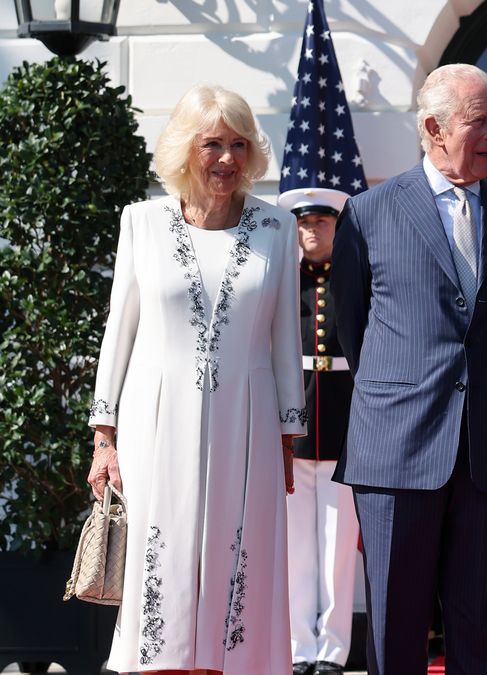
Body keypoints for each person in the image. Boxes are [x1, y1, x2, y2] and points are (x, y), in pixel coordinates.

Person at [330, 63, 487, 674]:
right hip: (396, 448)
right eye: (479, 122)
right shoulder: (368, 213)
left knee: (483, 628)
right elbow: (353, 327)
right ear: (433, 128)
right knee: (396, 628)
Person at [85, 84, 306, 674]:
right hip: (154, 423)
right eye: (212, 144)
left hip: (249, 425)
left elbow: (285, 338)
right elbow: (119, 331)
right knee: (163, 567)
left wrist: (289, 434)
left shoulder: (278, 228)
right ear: (186, 148)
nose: (227, 158)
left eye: (239, 144)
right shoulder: (142, 222)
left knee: (240, 568)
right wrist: (104, 438)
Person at [278, 187, 359, 675]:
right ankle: (298, 647)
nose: (312, 231)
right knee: (296, 548)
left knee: (337, 549)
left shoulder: (353, 278)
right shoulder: (283, 280)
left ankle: (331, 651)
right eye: (305, 223)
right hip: (294, 430)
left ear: (335, 226)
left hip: (343, 425)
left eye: (321, 223)